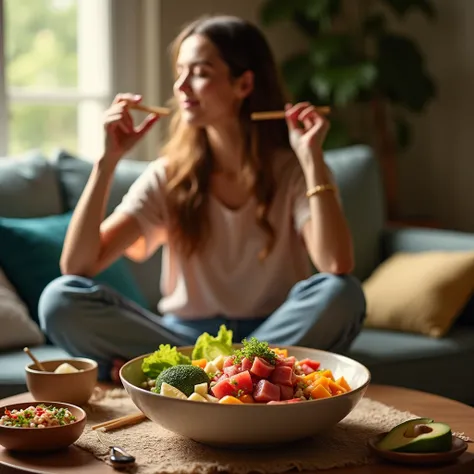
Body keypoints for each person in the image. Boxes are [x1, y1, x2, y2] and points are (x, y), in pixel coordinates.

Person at [38, 14, 366, 381]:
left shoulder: (293, 171)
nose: (181, 86)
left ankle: (198, 379)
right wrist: (106, 162)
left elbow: (336, 263)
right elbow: (77, 267)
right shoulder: (168, 175)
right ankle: (239, 377)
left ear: (244, 84)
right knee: (60, 298)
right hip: (184, 341)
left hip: (273, 340)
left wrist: (312, 161)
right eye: (180, 71)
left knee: (343, 293)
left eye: (200, 73)